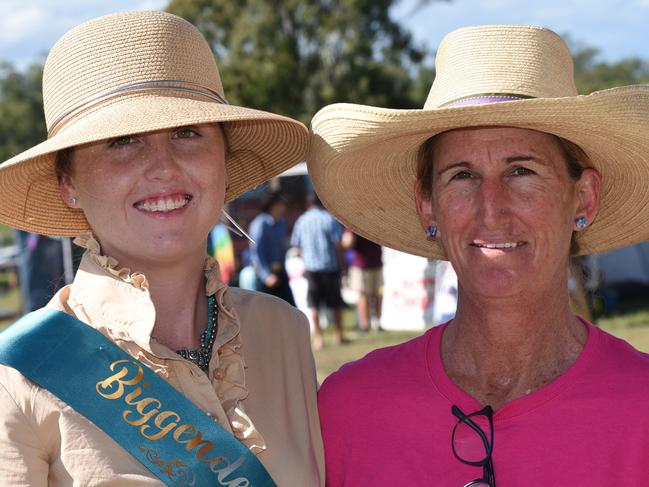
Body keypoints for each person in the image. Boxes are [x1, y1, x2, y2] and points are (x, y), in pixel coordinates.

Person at [308, 25, 649, 486]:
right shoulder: (348, 409)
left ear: (583, 198)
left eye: (521, 171)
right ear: (428, 204)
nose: (492, 208)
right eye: (462, 175)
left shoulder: (641, 406)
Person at [0, 11, 323, 486]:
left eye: (187, 133)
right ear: (68, 183)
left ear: (224, 162)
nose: (163, 166)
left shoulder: (284, 333)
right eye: (122, 141)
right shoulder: (21, 375)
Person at [291, 194, 347, 349]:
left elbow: (296, 247)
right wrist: (343, 264)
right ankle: (338, 335)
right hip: (330, 267)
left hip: (311, 269)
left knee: (314, 304)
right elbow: (338, 244)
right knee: (335, 303)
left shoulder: (301, 221)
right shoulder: (329, 218)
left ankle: (318, 338)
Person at [248, 190, 296, 305]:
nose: (284, 207)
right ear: (273, 205)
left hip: (280, 273)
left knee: (289, 309)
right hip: (266, 276)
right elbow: (256, 252)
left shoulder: (281, 222)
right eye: (281, 204)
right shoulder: (260, 224)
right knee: (267, 312)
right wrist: (267, 276)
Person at [341, 229, 382, 331]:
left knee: (363, 295)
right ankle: (377, 323)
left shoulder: (353, 224)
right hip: (375, 261)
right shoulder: (376, 220)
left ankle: (365, 325)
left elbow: (348, 242)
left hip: (361, 264)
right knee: (375, 294)